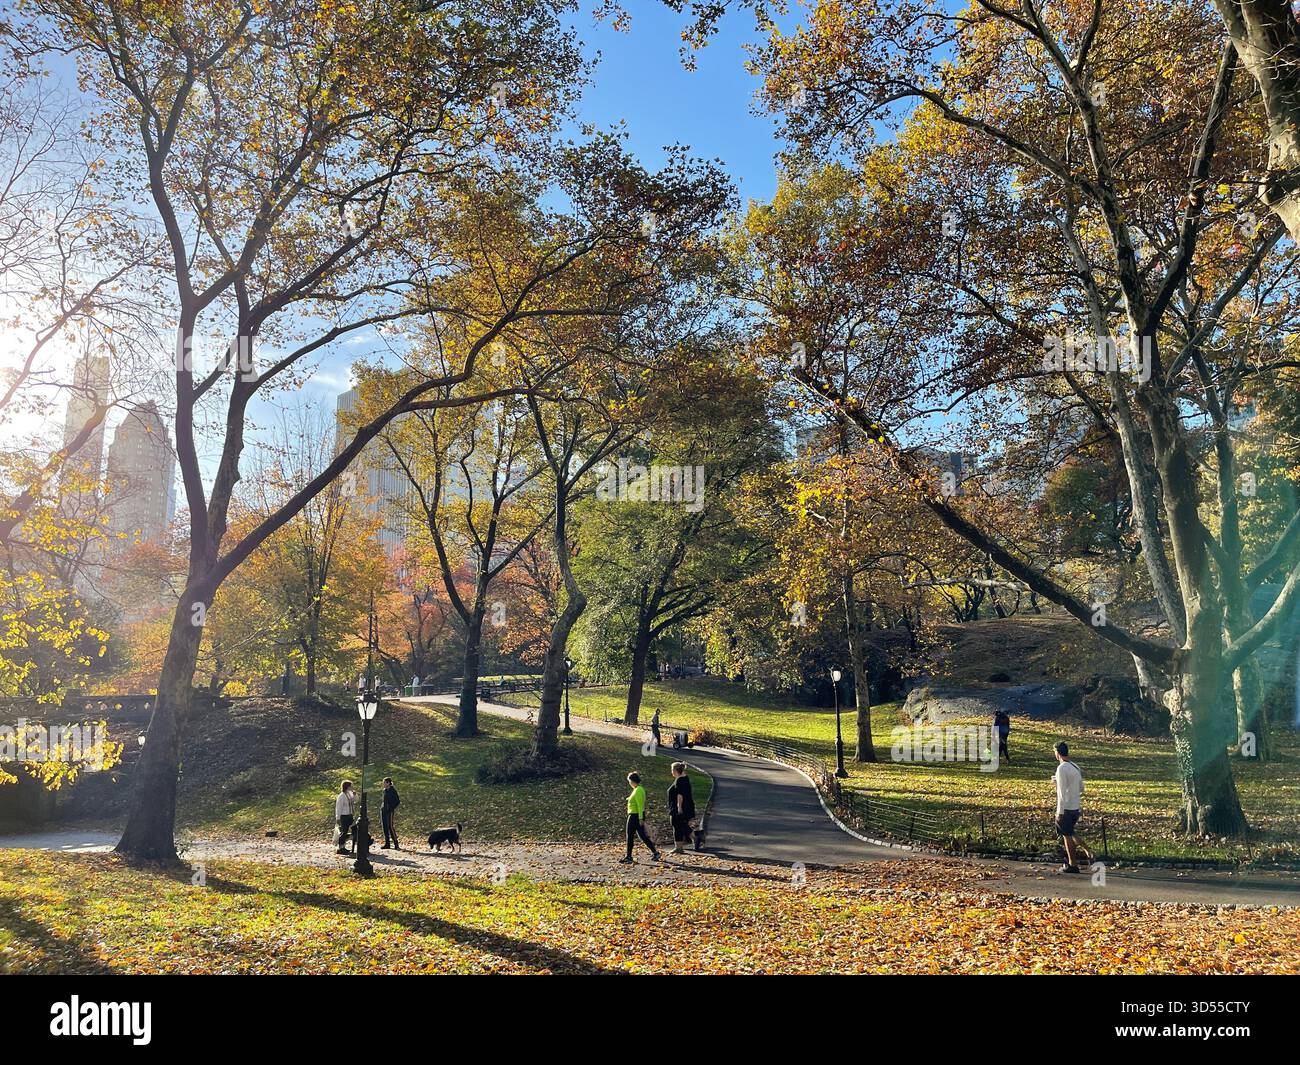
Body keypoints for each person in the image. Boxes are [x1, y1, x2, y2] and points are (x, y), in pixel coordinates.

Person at [1052, 742, 1092, 872]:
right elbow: (1081, 788)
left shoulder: (1061, 768)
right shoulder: (1075, 766)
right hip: (1075, 806)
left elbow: (1061, 792)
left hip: (1066, 808)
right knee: (1070, 831)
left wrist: (1060, 811)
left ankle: (1072, 864)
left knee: (1066, 836)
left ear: (1057, 752)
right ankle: (1089, 852)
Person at [619, 771, 661, 864]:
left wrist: (641, 818)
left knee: (630, 835)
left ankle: (629, 856)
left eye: (629, 781)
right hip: (636, 815)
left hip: (635, 815)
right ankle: (655, 852)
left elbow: (640, 805)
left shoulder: (638, 790)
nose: (629, 784)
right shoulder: (638, 789)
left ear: (632, 781)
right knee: (642, 836)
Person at [666, 762, 695, 855]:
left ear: (675, 770)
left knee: (676, 824)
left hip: (680, 807)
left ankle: (679, 847)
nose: (671, 772)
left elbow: (680, 795)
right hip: (686, 806)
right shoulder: (684, 778)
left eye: (672, 770)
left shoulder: (680, 780)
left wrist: (679, 807)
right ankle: (695, 837)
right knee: (681, 825)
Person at [334, 781, 356, 855]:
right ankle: (341, 848)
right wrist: (338, 818)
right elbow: (338, 808)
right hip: (344, 816)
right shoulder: (341, 796)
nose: (352, 787)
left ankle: (351, 838)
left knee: (355, 828)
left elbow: (355, 801)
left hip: (350, 815)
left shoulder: (349, 794)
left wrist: (355, 795)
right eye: (350, 786)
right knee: (344, 831)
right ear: (347, 787)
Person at [380, 776, 401, 849]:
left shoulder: (393, 791)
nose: (383, 784)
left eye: (384, 783)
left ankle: (396, 843)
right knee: (385, 827)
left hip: (390, 811)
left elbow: (397, 801)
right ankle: (387, 843)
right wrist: (383, 808)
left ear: (388, 783)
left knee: (390, 826)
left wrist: (391, 808)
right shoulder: (384, 791)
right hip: (383, 810)